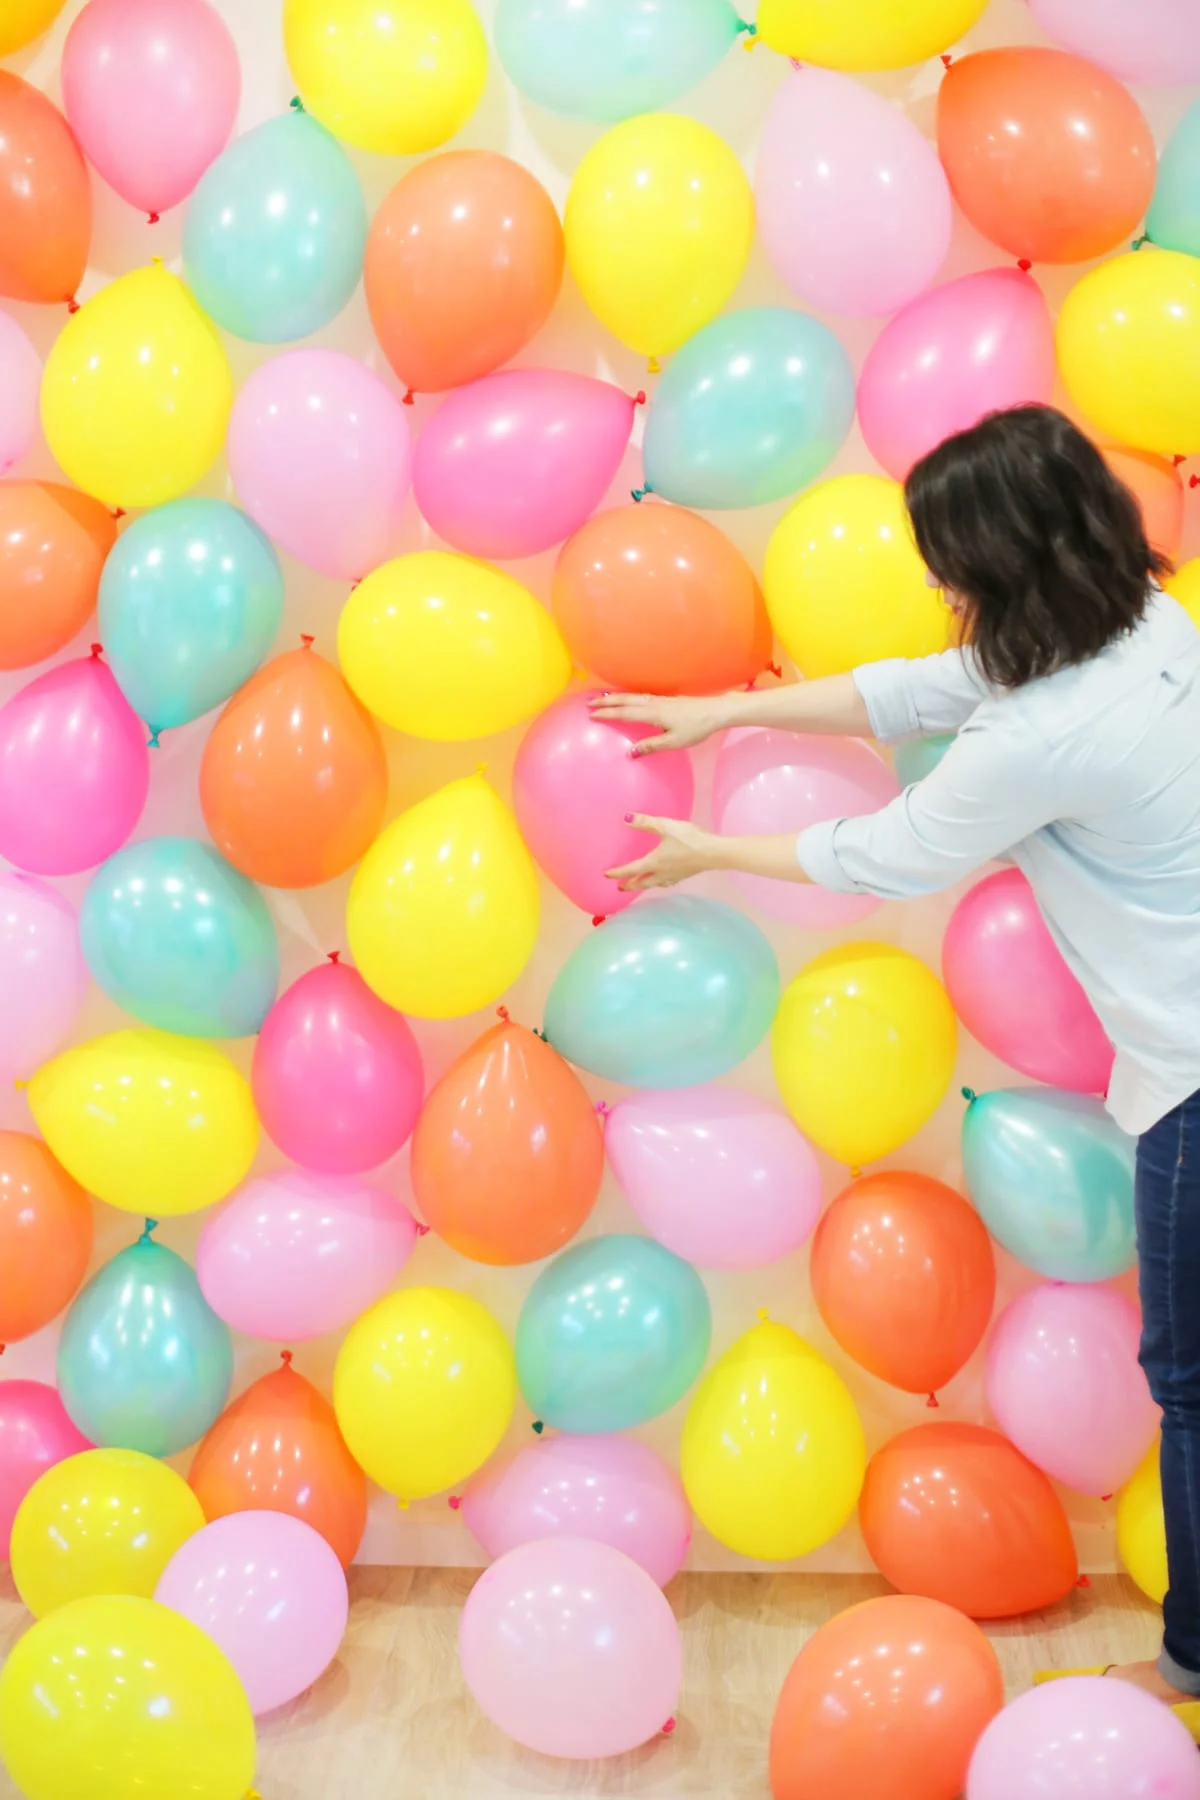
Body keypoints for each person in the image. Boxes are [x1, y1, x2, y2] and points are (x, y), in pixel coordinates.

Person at [596, 404, 1200, 1714]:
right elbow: (929, 688)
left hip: (1195, 1076)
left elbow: (889, 854)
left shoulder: (1042, 737)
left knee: (1190, 1384)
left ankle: (1193, 1670)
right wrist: (716, 713)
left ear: (1007, 562)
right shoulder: (1145, 627)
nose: (934, 581)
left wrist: (709, 853)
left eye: (947, 559)